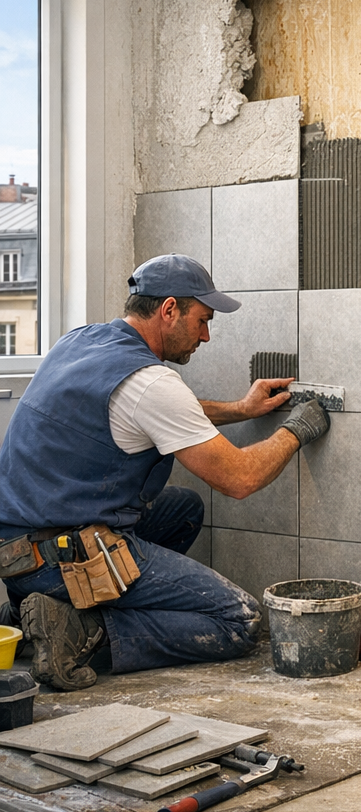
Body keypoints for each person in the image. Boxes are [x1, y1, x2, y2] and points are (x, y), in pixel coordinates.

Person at [0, 254, 330, 691]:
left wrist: (242, 409)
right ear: (169, 309)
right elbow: (239, 478)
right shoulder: (151, 382)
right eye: (202, 320)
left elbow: (160, 415)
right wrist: (296, 431)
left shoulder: (81, 341)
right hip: (60, 555)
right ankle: (86, 630)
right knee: (239, 619)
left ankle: (34, 609)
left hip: (17, 549)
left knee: (184, 508)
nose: (206, 336)